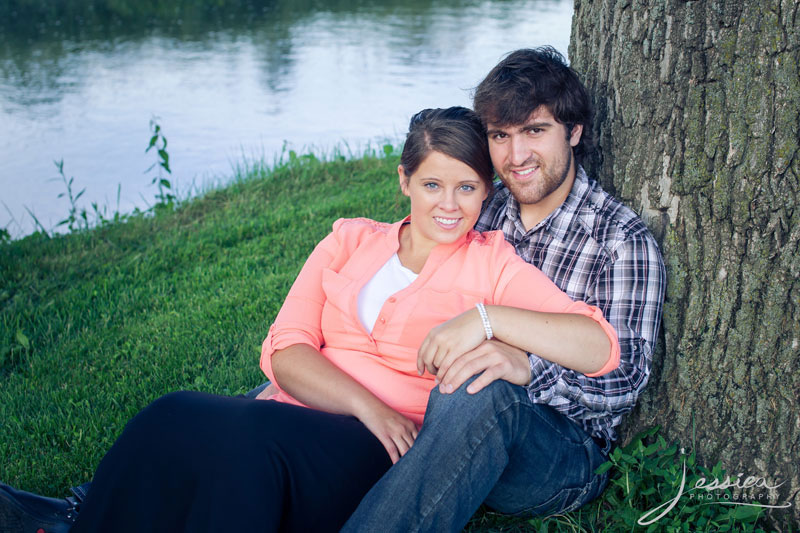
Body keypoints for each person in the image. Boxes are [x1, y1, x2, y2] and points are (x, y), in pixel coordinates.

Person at [0, 106, 621, 533]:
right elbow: (285, 348)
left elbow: (599, 346)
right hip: (314, 411)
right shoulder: (351, 239)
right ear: (404, 180)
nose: (451, 205)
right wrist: (363, 403)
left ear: (487, 193)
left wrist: (486, 319)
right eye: (434, 185)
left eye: (468, 188)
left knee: (248, 450)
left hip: (376, 447)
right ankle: (79, 522)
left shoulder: (492, 264)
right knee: (170, 416)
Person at [340, 47, 667, 531]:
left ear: (573, 132)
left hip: (561, 448)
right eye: (500, 136)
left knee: (485, 391)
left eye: (535, 131)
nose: (516, 157)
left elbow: (626, 381)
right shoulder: (479, 208)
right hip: (447, 411)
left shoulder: (619, 241)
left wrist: (528, 368)